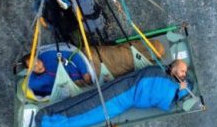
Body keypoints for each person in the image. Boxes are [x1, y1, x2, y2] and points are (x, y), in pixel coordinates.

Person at [35, 60, 194, 127]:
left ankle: (47, 120)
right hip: (122, 91)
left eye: (184, 73)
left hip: (123, 97)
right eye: (182, 70)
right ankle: (46, 119)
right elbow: (152, 85)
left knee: (89, 112)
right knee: (86, 107)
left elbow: (158, 96)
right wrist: (177, 88)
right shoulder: (159, 74)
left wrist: (177, 89)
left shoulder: (168, 83)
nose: (183, 73)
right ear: (172, 69)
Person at [22, 39, 165, 96]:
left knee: (125, 56)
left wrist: (84, 73)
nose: (37, 66)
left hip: (90, 59)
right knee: (127, 70)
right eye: (32, 67)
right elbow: (32, 85)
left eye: (36, 61)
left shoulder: (48, 56)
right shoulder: (40, 79)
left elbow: (74, 53)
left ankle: (154, 50)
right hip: (96, 78)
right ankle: (153, 60)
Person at [22, 50, 92, 97]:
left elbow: (74, 55)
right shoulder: (34, 83)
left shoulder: (49, 56)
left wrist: (84, 72)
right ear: (29, 70)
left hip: (83, 73)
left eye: (38, 61)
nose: (39, 66)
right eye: (34, 67)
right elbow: (48, 95)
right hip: (71, 90)